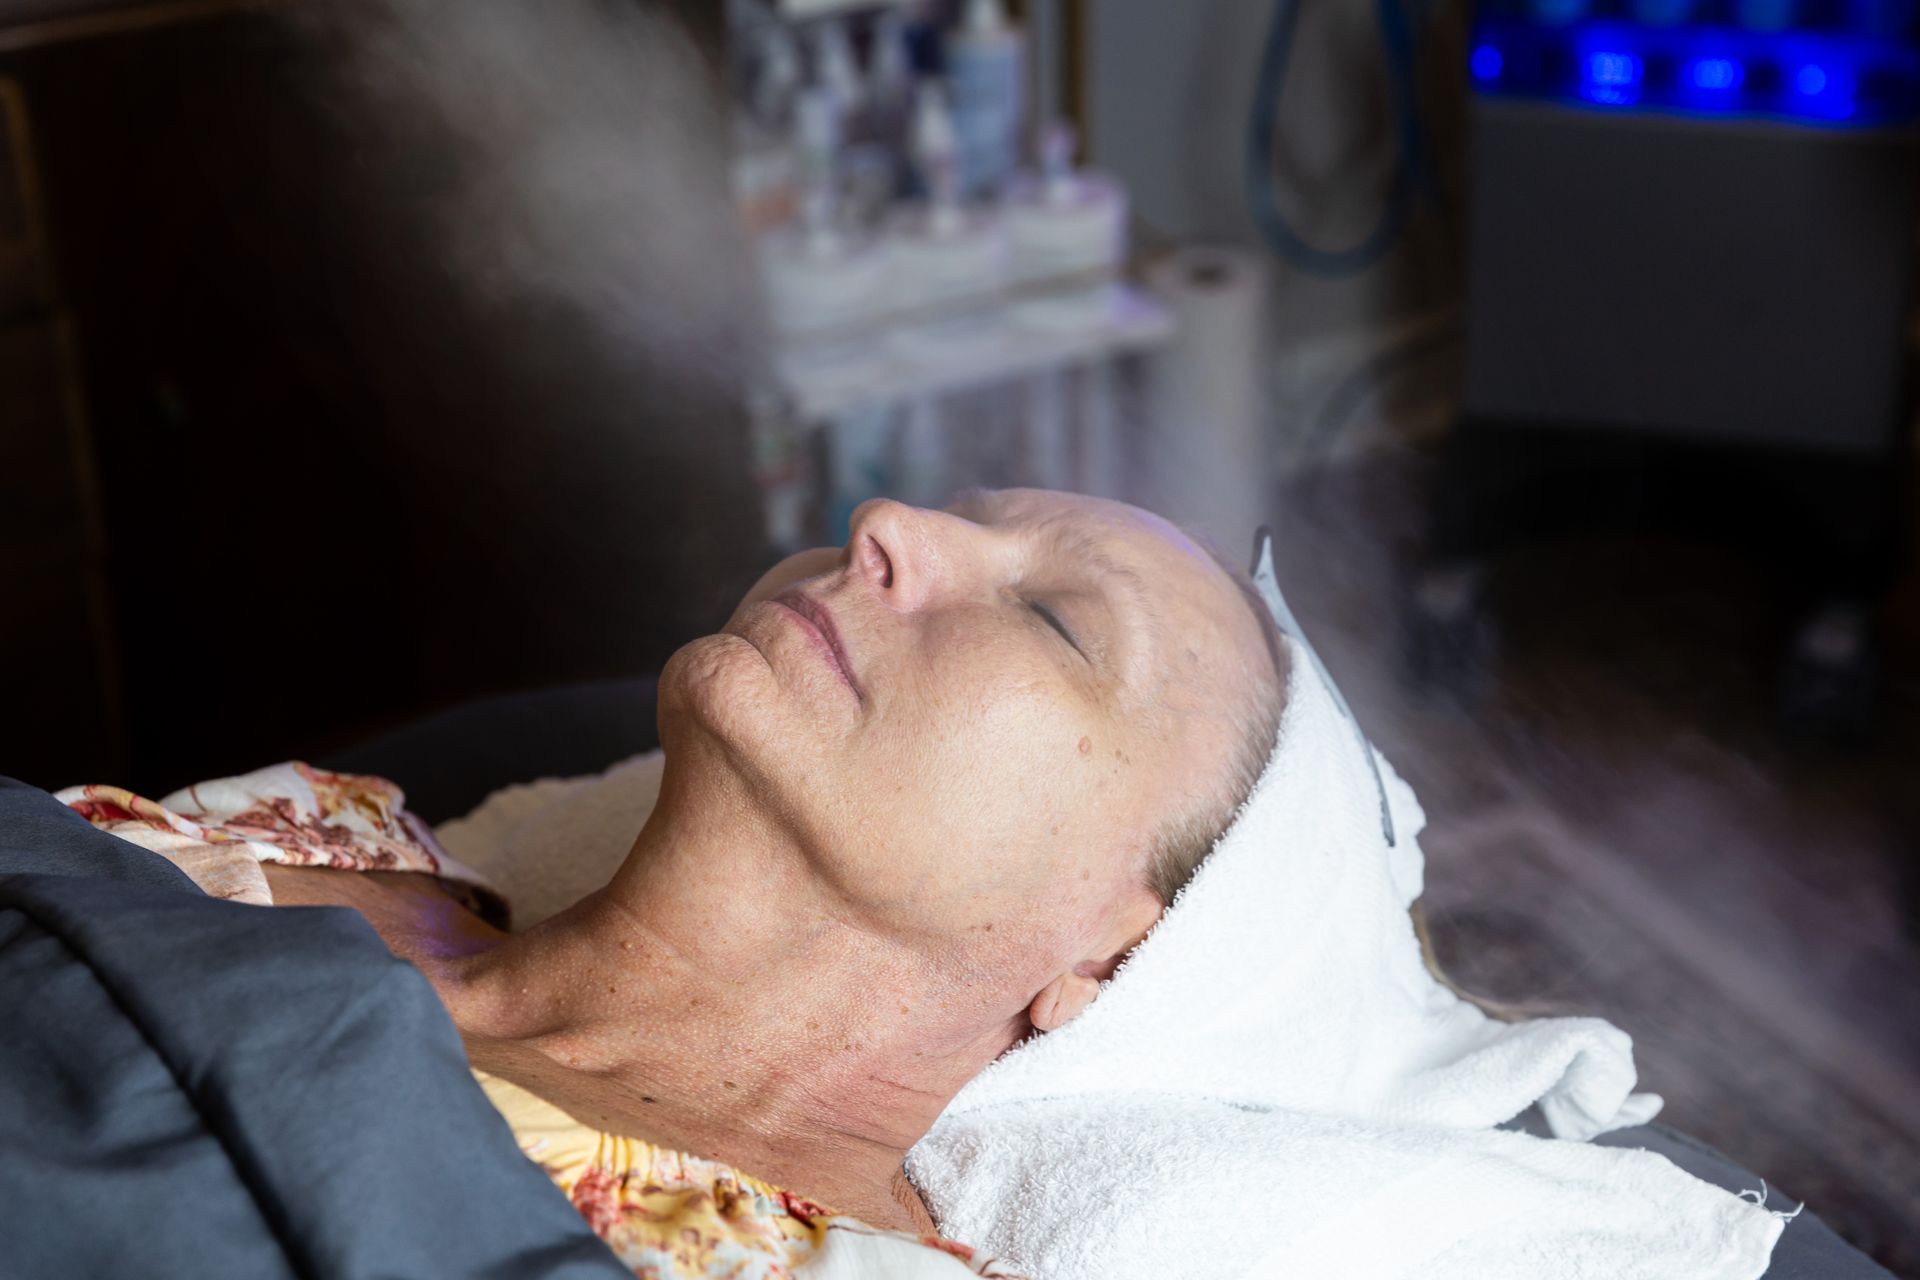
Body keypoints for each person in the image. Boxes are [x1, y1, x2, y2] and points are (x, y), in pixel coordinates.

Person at [66, 487, 1286, 1274]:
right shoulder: (329, 830)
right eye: (956, 506)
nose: (886, 519)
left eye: (1057, 619)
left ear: (1113, 956)